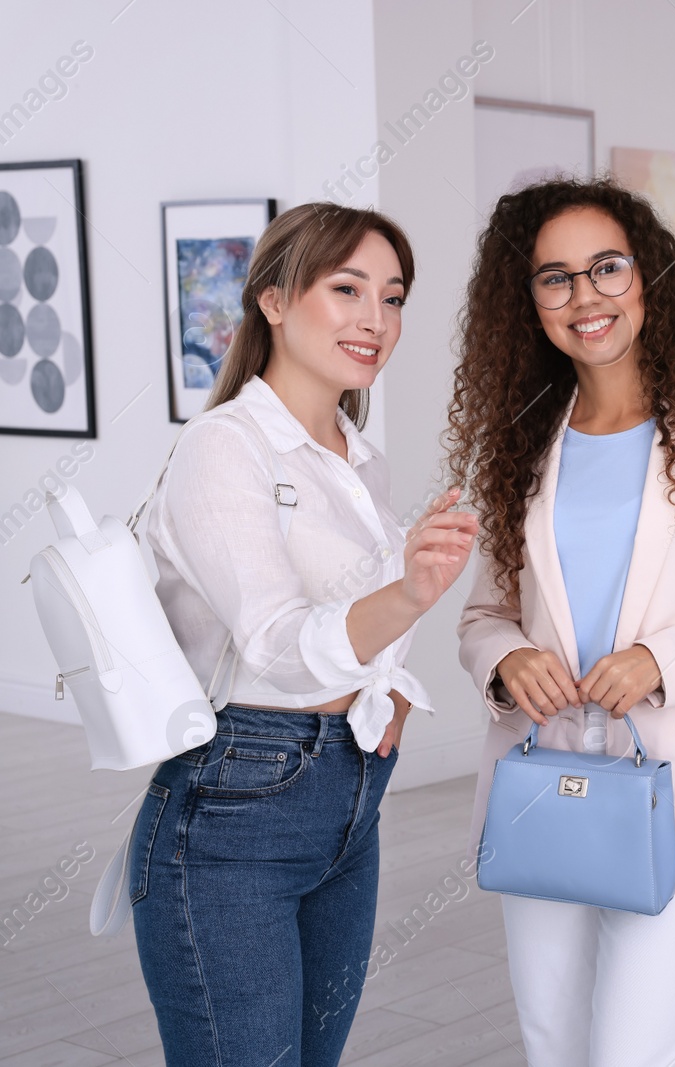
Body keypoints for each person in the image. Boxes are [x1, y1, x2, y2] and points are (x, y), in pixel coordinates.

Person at [449, 177, 675, 1067]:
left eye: (606, 268)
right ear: (527, 300)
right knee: (552, 1041)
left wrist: (663, 657)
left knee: (633, 1051)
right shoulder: (521, 443)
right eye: (555, 278)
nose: (586, 297)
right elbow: (484, 614)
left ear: (647, 277)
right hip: (541, 782)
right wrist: (506, 660)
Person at [131, 203, 479, 1066]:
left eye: (393, 297)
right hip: (234, 808)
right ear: (274, 301)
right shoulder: (224, 447)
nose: (375, 318)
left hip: (348, 801)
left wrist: (391, 687)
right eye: (347, 288)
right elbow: (280, 644)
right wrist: (408, 592)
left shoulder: (361, 459)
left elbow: (353, 635)